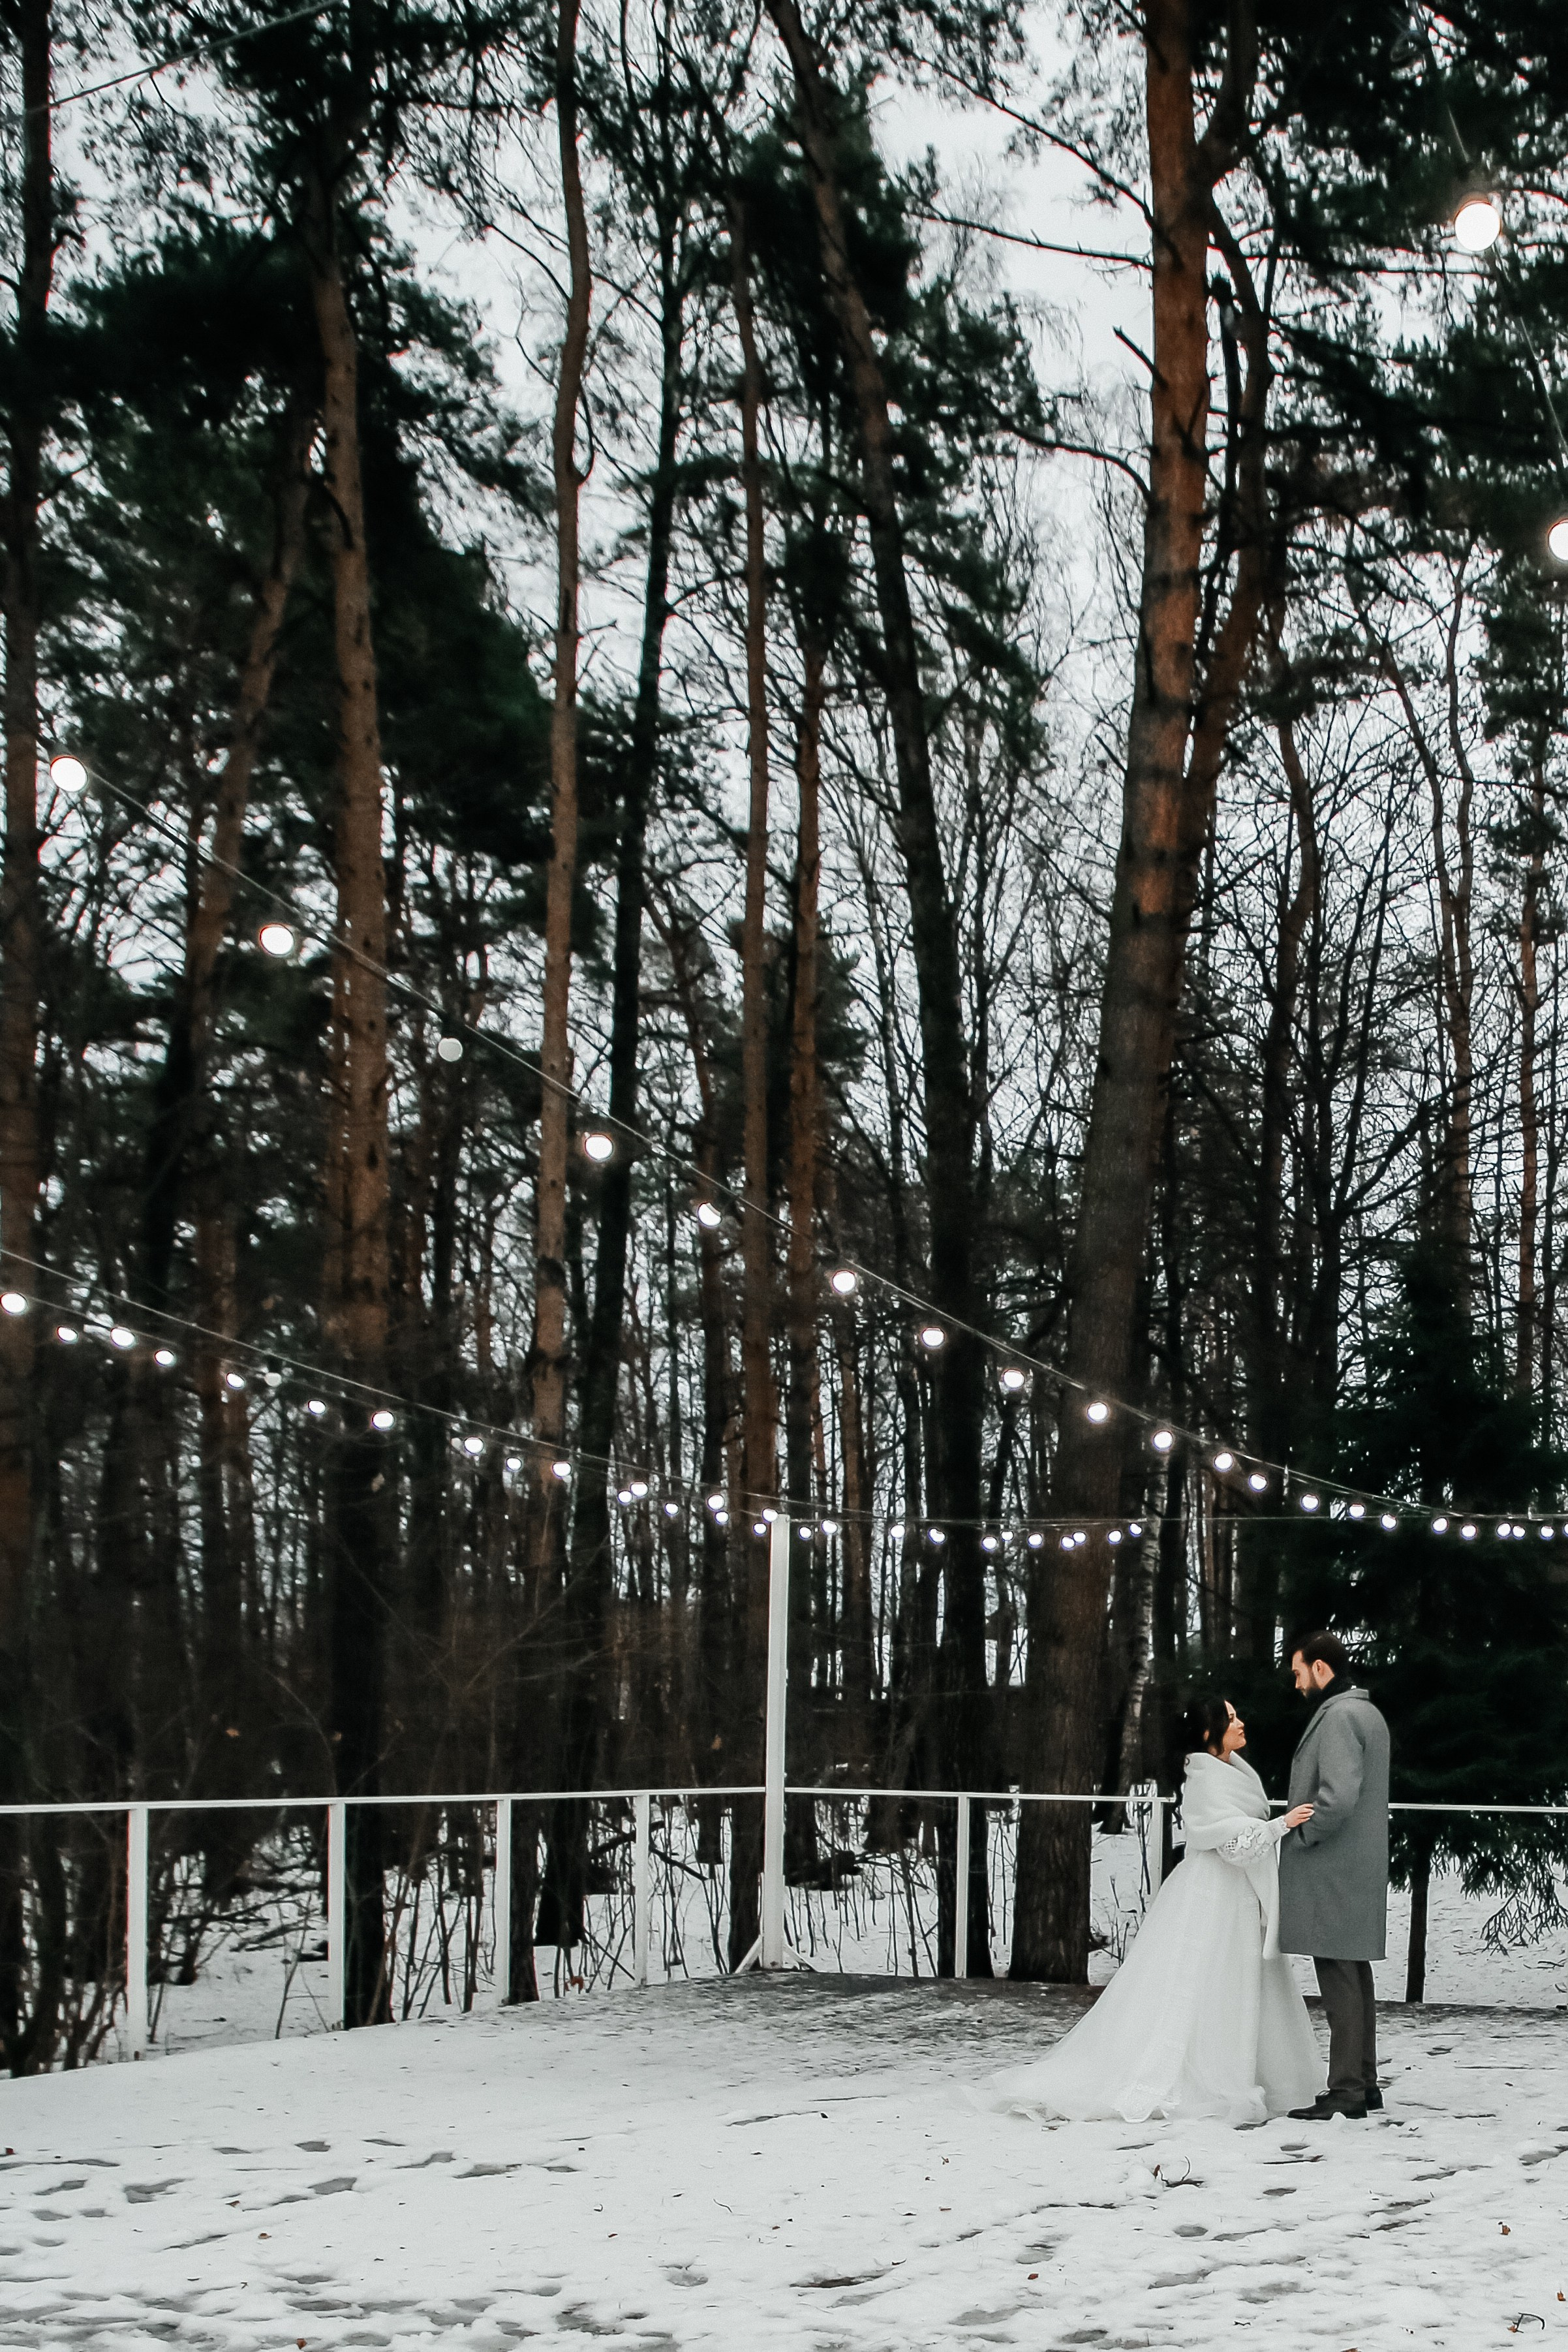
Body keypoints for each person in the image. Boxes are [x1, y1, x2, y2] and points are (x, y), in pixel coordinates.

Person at [991, 1697, 1321, 2124]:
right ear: (1208, 1734)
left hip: (1234, 1895)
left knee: (1233, 1983)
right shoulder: (1203, 1778)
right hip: (1211, 1895)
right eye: (1230, 1718)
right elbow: (1230, 1843)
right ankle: (1202, 2074)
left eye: (1238, 1714)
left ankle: (1250, 2068)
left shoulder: (1231, 1772)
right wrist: (1280, 1825)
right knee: (1198, 1982)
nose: (1240, 1722)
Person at [1278, 1630, 1391, 2121]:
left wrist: (1304, 1835)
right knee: (1353, 1973)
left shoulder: (1341, 1716)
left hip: (1333, 1866)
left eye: (1299, 1673)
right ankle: (1362, 2083)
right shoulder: (1364, 1712)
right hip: (1352, 1867)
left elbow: (1337, 1797)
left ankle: (1346, 2089)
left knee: (1339, 1978)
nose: (1297, 1684)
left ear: (1321, 1668)